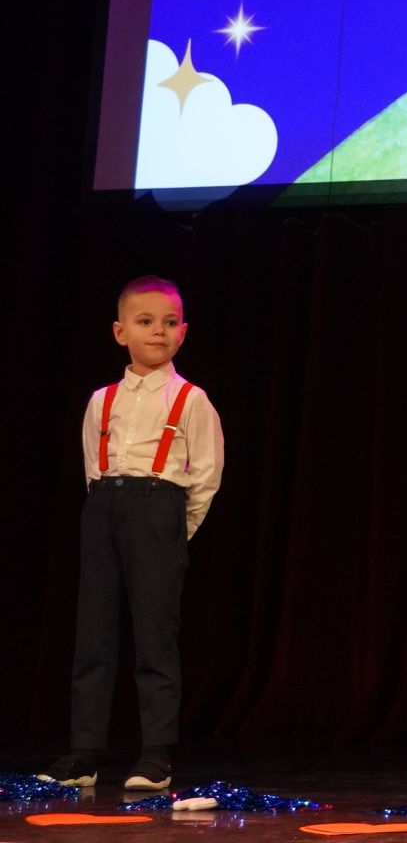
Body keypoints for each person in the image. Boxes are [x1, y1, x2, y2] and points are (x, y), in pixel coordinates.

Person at [38, 276, 223, 792]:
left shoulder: (190, 399)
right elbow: (91, 465)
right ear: (121, 332)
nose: (158, 331)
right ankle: (85, 753)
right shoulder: (102, 400)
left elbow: (206, 475)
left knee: (155, 637)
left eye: (169, 322)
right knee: (93, 634)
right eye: (145, 322)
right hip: (105, 508)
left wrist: (174, 529)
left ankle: (156, 755)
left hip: (158, 510)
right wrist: (106, 507)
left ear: (183, 332)